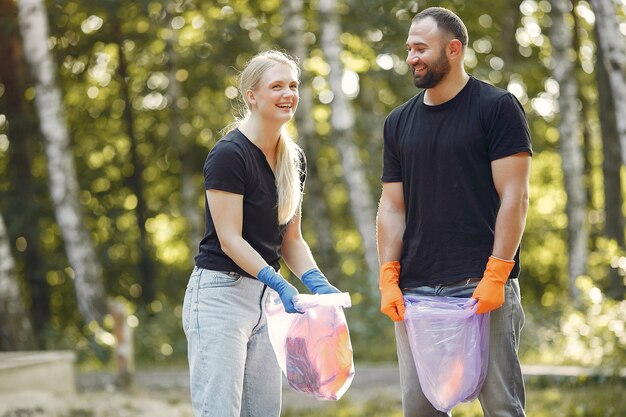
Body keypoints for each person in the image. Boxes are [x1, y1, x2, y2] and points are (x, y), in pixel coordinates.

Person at [376, 7, 532, 417]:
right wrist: (388, 277)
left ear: (454, 49)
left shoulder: (497, 108)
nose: (412, 57)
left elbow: (515, 196)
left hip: (481, 287)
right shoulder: (398, 123)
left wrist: (498, 272)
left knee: (501, 407)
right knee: (421, 410)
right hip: (416, 292)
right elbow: (392, 207)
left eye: (421, 48)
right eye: (409, 48)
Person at [182, 50, 341, 417]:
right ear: (251, 95)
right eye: (276, 86)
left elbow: (292, 240)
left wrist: (316, 282)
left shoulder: (293, 159)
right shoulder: (229, 155)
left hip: (266, 301)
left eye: (293, 86)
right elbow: (229, 239)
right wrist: (279, 282)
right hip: (220, 296)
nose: (288, 94)